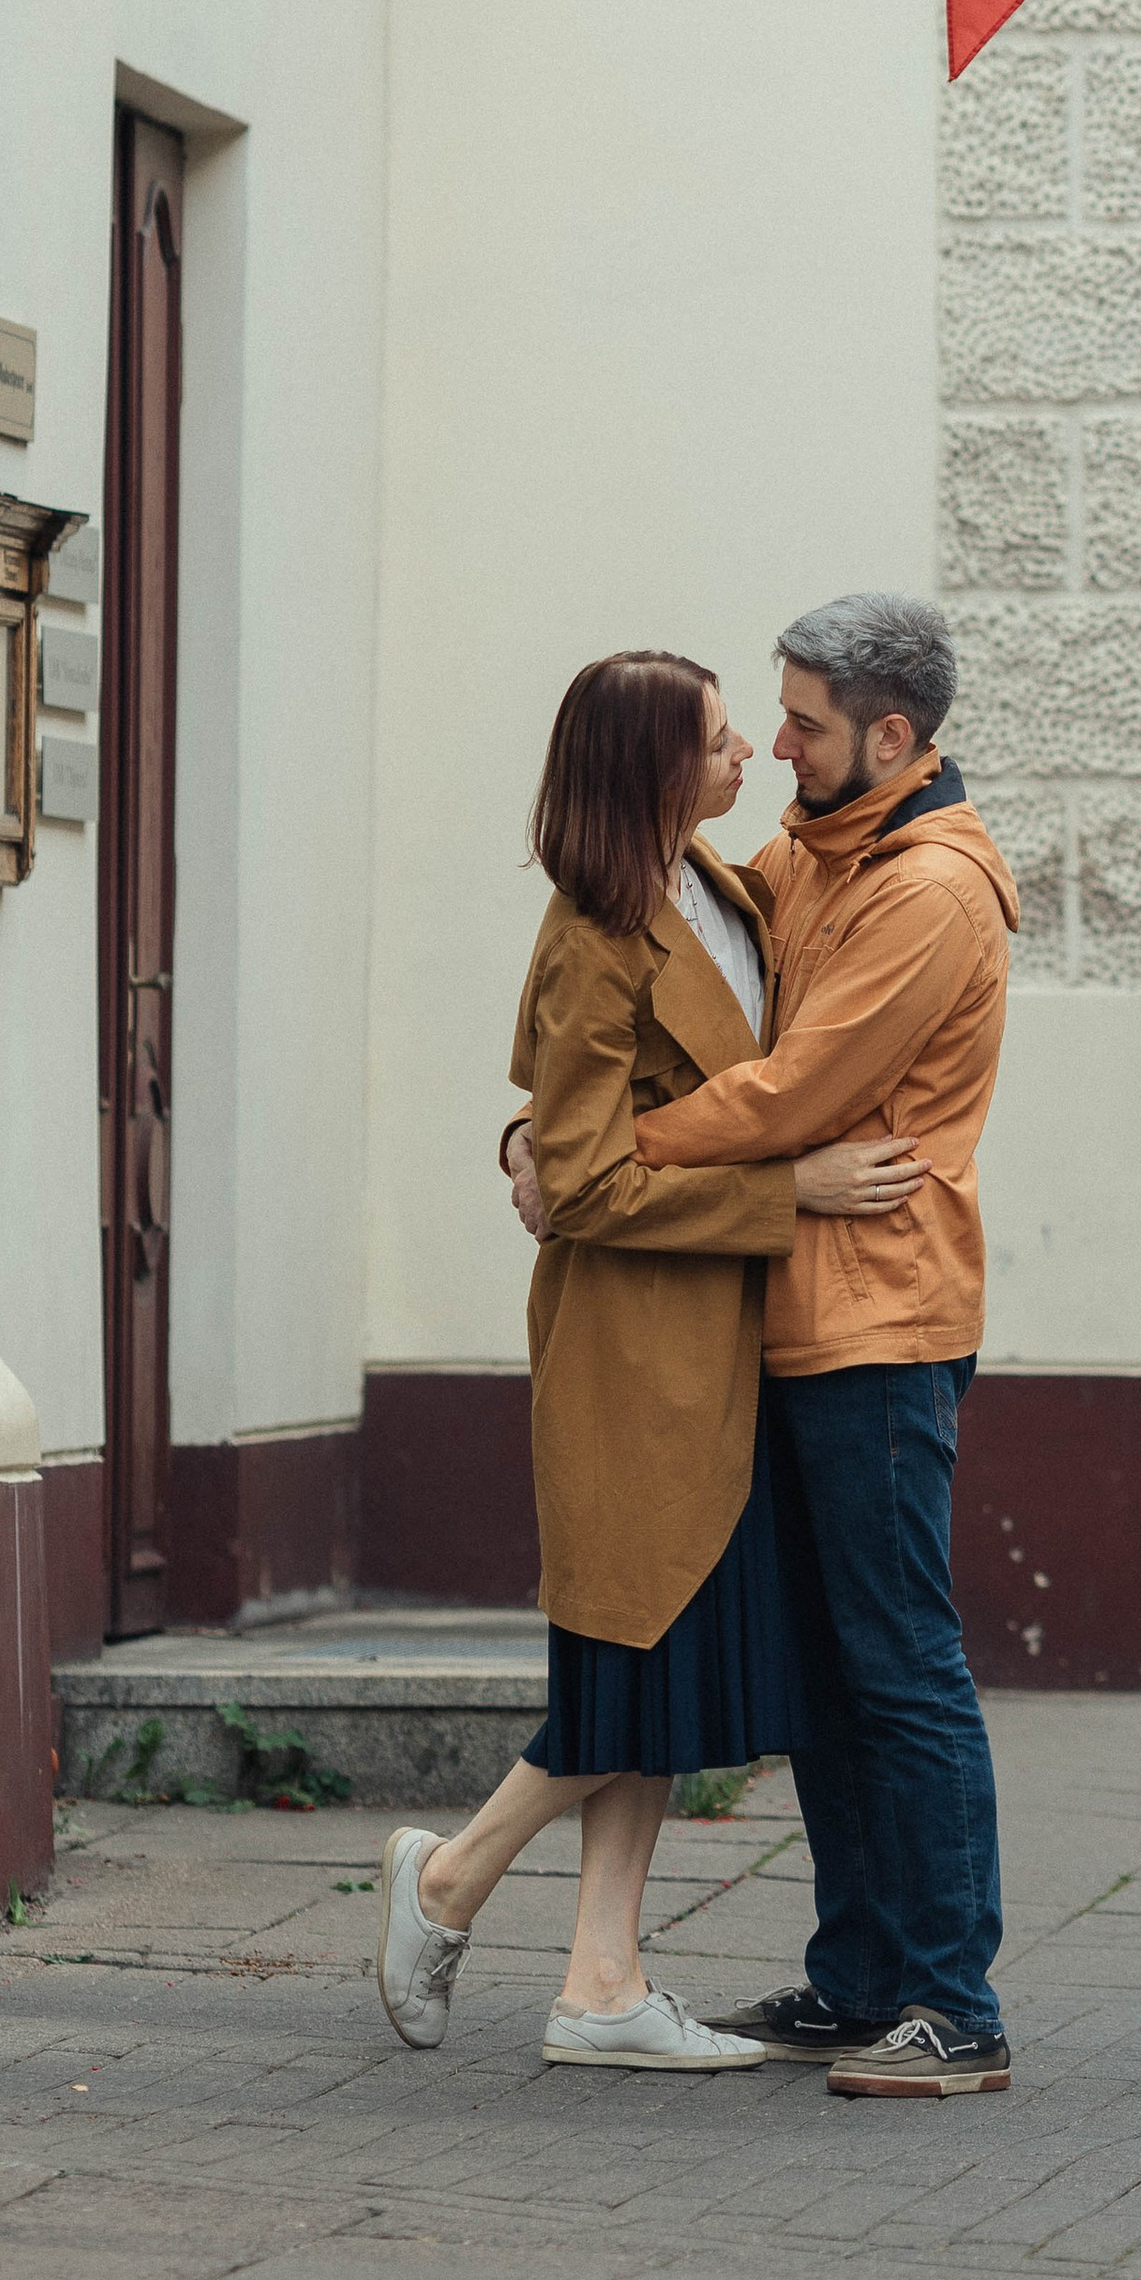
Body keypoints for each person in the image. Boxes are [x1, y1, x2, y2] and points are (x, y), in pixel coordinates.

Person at [376, 648, 922, 2074]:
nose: (749, 757)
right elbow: (585, 1182)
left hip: (717, 1346)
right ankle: (451, 1882)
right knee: (637, 1665)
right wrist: (788, 1193)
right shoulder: (592, 938)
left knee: (663, 1670)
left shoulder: (719, 886)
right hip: (633, 1353)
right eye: (721, 740)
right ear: (653, 772)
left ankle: (602, 1984)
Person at [509, 593, 1019, 2097]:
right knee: (832, 1675)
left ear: (893, 737)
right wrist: (542, 1131)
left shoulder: (928, 893)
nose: (777, 747)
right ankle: (858, 1978)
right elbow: (651, 972)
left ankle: (953, 2005)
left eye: (802, 724)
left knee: (902, 1665)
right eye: (768, 721)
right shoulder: (815, 849)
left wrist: (600, 1156)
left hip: (879, 1320)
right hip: (782, 1319)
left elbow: (792, 1091)